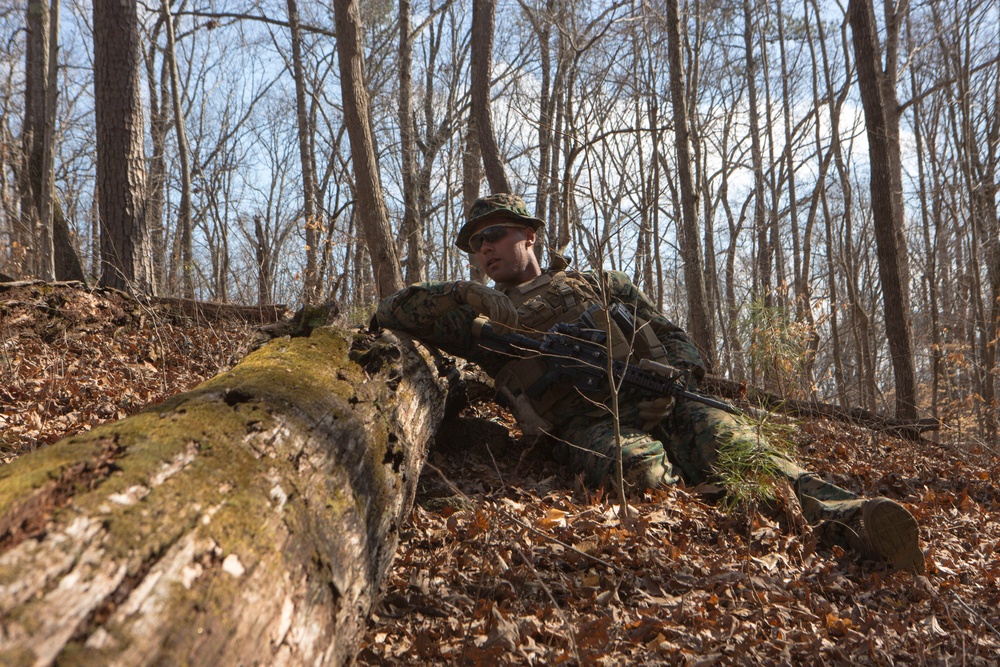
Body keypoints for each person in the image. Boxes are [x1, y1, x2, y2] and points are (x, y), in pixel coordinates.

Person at [375, 193, 924, 573]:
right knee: (638, 468)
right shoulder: (480, 322)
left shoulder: (599, 282)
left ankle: (853, 520)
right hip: (584, 424)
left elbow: (669, 332)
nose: (483, 250)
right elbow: (393, 308)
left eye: (494, 235)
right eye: (473, 244)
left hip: (660, 395)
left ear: (531, 234)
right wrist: (466, 295)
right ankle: (733, 523)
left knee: (741, 448)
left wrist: (683, 372)